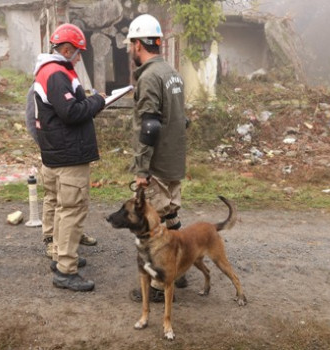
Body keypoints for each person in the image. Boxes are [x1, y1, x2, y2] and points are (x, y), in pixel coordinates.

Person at [32, 23, 105, 292]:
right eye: (77, 53)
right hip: (68, 156)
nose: (78, 58)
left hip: (56, 153)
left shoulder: (48, 71)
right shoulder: (56, 74)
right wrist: (98, 101)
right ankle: (66, 270)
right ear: (66, 49)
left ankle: (62, 255)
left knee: (62, 207)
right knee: (72, 210)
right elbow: (71, 112)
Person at [124, 14, 188, 302]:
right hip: (174, 159)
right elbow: (180, 119)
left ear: (138, 44)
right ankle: (179, 270)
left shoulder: (149, 76)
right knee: (172, 214)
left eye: (131, 45)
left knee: (156, 219)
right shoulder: (172, 73)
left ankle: (162, 284)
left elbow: (149, 126)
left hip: (158, 162)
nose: (130, 50)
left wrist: (141, 169)